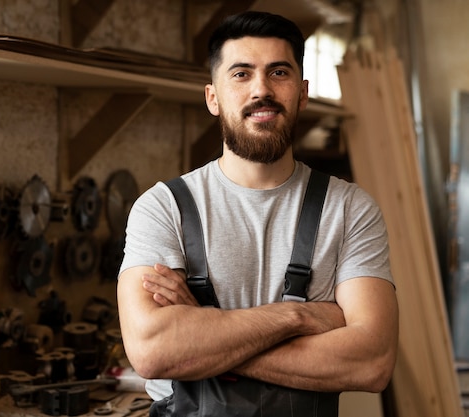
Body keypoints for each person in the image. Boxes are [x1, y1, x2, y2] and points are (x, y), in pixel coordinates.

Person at [117, 10, 398, 416]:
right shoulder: (163, 208)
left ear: (302, 93)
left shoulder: (350, 209)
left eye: (279, 72)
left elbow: (372, 362)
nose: (261, 90)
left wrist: (205, 335)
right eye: (241, 74)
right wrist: (299, 316)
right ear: (213, 97)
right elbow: (151, 351)